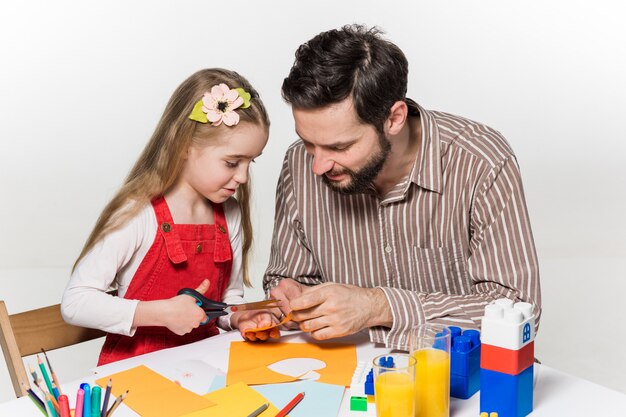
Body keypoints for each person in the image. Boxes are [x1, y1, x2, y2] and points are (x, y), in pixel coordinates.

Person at [265, 25, 541, 350]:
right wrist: (289, 293)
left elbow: (519, 309)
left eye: (339, 147)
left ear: (394, 118)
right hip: (343, 376)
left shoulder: (481, 161)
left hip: (461, 381)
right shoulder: (298, 163)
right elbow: (287, 279)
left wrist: (378, 306)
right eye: (308, 142)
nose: (317, 166)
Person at [62, 68, 278, 365]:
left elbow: (227, 302)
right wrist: (161, 314)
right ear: (185, 147)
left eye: (249, 163)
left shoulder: (229, 213)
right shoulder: (138, 213)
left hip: (204, 368)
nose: (242, 176)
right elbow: (76, 302)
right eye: (232, 162)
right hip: (136, 374)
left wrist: (240, 318)